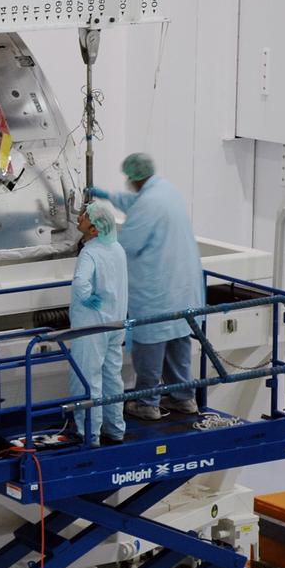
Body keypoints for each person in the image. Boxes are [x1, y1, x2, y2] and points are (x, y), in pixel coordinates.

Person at [88, 153, 204, 420]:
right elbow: (135, 203)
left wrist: (96, 246)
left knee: (150, 348)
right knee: (178, 344)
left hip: (156, 292)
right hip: (182, 289)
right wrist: (107, 196)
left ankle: (147, 403)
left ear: (134, 177)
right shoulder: (165, 191)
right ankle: (184, 398)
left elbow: (127, 244)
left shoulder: (149, 203)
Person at [68, 203, 128, 446]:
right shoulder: (117, 248)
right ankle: (115, 429)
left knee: (87, 378)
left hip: (91, 326)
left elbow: (80, 282)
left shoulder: (90, 252)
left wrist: (86, 298)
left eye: (85, 216)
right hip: (116, 322)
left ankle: (89, 434)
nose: (79, 218)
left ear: (94, 229)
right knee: (112, 377)